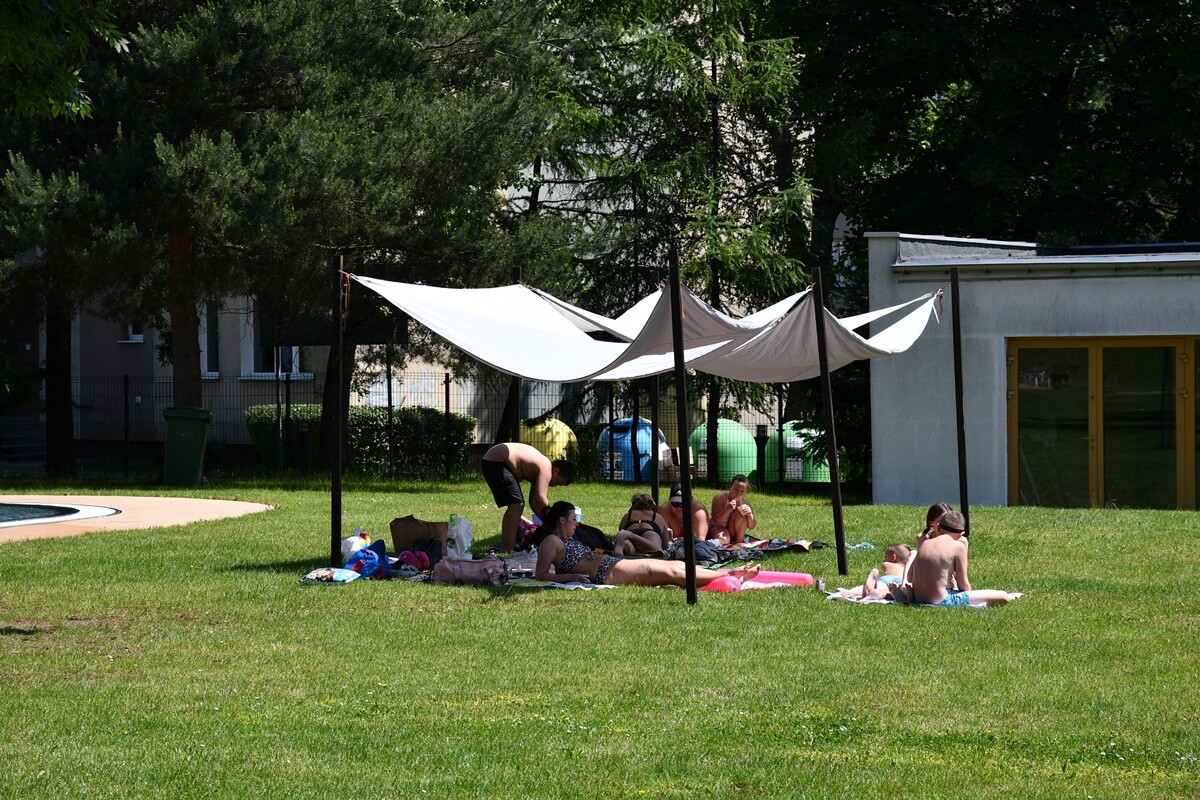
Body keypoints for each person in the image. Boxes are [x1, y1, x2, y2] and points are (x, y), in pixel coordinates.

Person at [533, 501, 760, 588]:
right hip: (607, 573)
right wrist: (571, 577)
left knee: (677, 566)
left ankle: (725, 574)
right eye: (573, 519)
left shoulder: (567, 540)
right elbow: (541, 574)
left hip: (612, 564)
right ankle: (731, 573)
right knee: (671, 572)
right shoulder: (551, 541)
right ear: (561, 520)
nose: (577, 524)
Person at [905, 511, 1017, 607]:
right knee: (1003, 596)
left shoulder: (925, 543)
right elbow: (963, 584)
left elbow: (910, 578)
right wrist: (970, 597)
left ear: (938, 527)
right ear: (960, 535)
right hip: (941, 601)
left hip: (918, 599)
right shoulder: (958, 546)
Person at [481, 442, 574, 552]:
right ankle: (507, 548)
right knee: (516, 505)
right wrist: (554, 522)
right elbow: (541, 499)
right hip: (497, 462)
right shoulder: (546, 468)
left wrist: (548, 525)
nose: (554, 485)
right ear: (556, 470)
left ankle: (508, 546)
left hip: (494, 459)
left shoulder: (541, 466)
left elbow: (534, 502)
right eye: (557, 482)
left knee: (517, 504)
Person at [614, 491, 669, 556]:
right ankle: (631, 536)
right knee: (657, 549)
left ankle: (626, 545)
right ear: (651, 505)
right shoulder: (657, 516)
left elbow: (620, 533)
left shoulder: (627, 516)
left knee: (628, 546)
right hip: (649, 533)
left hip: (629, 531)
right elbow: (665, 545)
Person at [709, 475, 756, 545]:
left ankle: (739, 542)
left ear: (746, 492)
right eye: (736, 489)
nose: (738, 493)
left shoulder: (745, 503)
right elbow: (717, 521)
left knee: (741, 513)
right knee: (724, 540)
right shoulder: (720, 498)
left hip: (732, 530)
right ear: (730, 487)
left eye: (742, 491)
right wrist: (727, 509)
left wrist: (750, 515)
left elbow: (752, 526)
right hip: (718, 528)